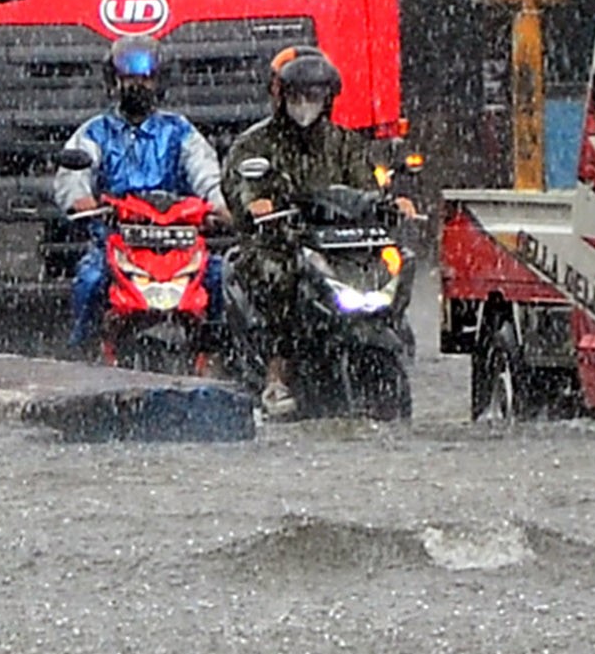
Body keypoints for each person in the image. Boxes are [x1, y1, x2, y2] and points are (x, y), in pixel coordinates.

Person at [219, 48, 392, 413]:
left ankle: (390, 345)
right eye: (297, 96)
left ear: (327, 98)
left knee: (390, 266)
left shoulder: (344, 143)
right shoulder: (255, 143)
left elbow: (366, 189)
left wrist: (388, 204)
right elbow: (239, 184)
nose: (305, 105)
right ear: (281, 97)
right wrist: (255, 204)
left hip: (338, 247)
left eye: (313, 96)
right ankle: (276, 376)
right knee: (283, 278)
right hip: (277, 244)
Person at [57, 37, 224, 347]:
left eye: (146, 78)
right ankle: (81, 351)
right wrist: (80, 200)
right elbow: (74, 174)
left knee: (221, 278)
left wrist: (220, 205)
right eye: (129, 77)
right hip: (116, 241)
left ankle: (219, 352)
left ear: (159, 81)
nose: (138, 85)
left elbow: (206, 172)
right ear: (114, 81)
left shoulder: (180, 130)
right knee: (91, 280)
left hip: (179, 242)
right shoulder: (94, 131)